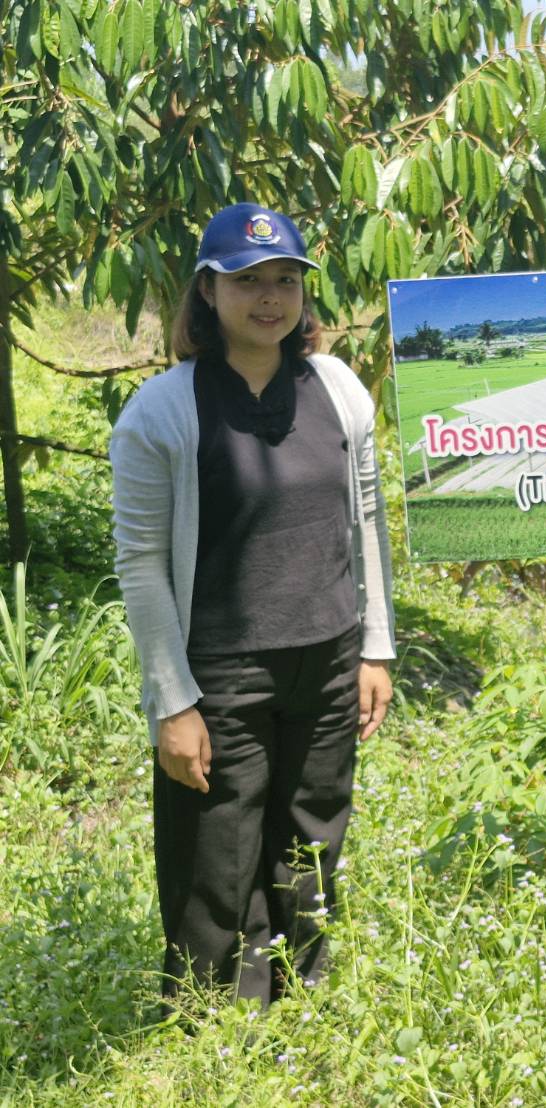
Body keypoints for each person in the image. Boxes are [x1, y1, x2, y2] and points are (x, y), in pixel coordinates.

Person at [110, 202, 396, 1009]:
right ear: (206, 292)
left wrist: (375, 647)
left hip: (329, 654)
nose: (268, 298)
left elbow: (365, 519)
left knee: (312, 834)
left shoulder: (336, 389)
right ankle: (216, 1020)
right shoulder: (162, 412)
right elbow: (139, 564)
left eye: (284, 281)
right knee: (218, 851)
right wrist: (173, 701)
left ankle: (303, 991)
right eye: (246, 281)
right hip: (221, 671)